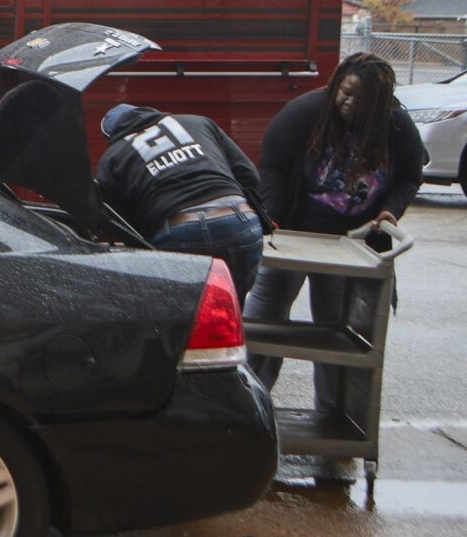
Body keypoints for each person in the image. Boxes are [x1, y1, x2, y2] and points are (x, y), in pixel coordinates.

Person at [244, 53, 427, 405]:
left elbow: (409, 177)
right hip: (292, 235)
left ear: (380, 104)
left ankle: (331, 414)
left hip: (350, 245)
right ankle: (249, 407)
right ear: (336, 84)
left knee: (335, 335)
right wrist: (272, 218)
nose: (349, 102)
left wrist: (391, 210)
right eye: (346, 92)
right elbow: (272, 166)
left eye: (361, 99)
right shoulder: (305, 112)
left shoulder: (397, 126)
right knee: (263, 323)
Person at [95, 102, 267, 301]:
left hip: (179, 228)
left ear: (112, 135)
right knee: (234, 306)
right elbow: (249, 176)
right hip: (238, 220)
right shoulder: (199, 123)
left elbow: (124, 224)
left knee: (187, 310)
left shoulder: (112, 157)